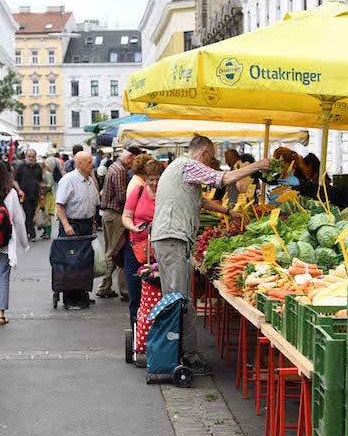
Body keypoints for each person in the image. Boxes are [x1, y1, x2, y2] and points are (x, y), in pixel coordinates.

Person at [152, 135, 270, 375]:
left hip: (169, 238)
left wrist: (228, 212)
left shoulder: (178, 167)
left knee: (176, 299)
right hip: (172, 239)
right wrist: (256, 166)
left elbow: (201, 201)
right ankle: (184, 356)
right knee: (179, 301)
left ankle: (177, 351)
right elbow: (223, 178)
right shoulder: (188, 165)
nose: (211, 161)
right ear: (203, 153)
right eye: (211, 156)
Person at [0, 161, 28, 325]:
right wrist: (24, 244)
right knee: (3, 276)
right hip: (5, 240)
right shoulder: (11, 193)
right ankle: (1, 313)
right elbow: (18, 220)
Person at [121, 159, 164, 330]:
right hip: (136, 249)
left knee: (159, 293)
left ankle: (158, 330)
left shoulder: (166, 194)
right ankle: (137, 331)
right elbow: (126, 216)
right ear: (145, 178)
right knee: (135, 294)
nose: (154, 183)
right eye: (151, 179)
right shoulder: (138, 192)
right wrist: (133, 227)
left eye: (158, 179)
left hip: (160, 251)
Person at [55, 152, 100, 307]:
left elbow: (93, 204)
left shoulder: (90, 181)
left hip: (86, 224)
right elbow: (59, 205)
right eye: (89, 162)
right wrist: (66, 225)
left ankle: (83, 293)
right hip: (72, 224)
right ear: (79, 163)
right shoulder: (68, 180)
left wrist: (93, 223)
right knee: (71, 262)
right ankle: (70, 297)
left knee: (85, 262)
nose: (92, 165)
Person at [97, 147, 140, 302]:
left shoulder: (114, 166)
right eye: (134, 160)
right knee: (113, 251)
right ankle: (105, 287)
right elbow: (122, 196)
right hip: (115, 214)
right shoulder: (120, 170)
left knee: (116, 251)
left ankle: (115, 287)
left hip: (111, 214)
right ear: (130, 157)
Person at [15, 149, 42, 241]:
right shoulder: (21, 167)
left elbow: (40, 181)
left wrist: (41, 193)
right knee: (29, 214)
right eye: (29, 156)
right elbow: (14, 180)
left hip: (35, 195)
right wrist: (19, 190)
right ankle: (32, 234)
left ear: (35, 157)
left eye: (32, 157)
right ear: (26, 157)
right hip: (25, 195)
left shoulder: (38, 167)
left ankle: (26, 232)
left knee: (32, 214)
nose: (31, 158)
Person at [41, 157, 59, 240]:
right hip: (42, 196)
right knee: (42, 214)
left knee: (47, 215)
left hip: (47, 196)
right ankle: (45, 231)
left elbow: (50, 185)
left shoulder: (47, 174)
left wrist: (43, 187)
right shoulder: (40, 173)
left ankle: (48, 232)